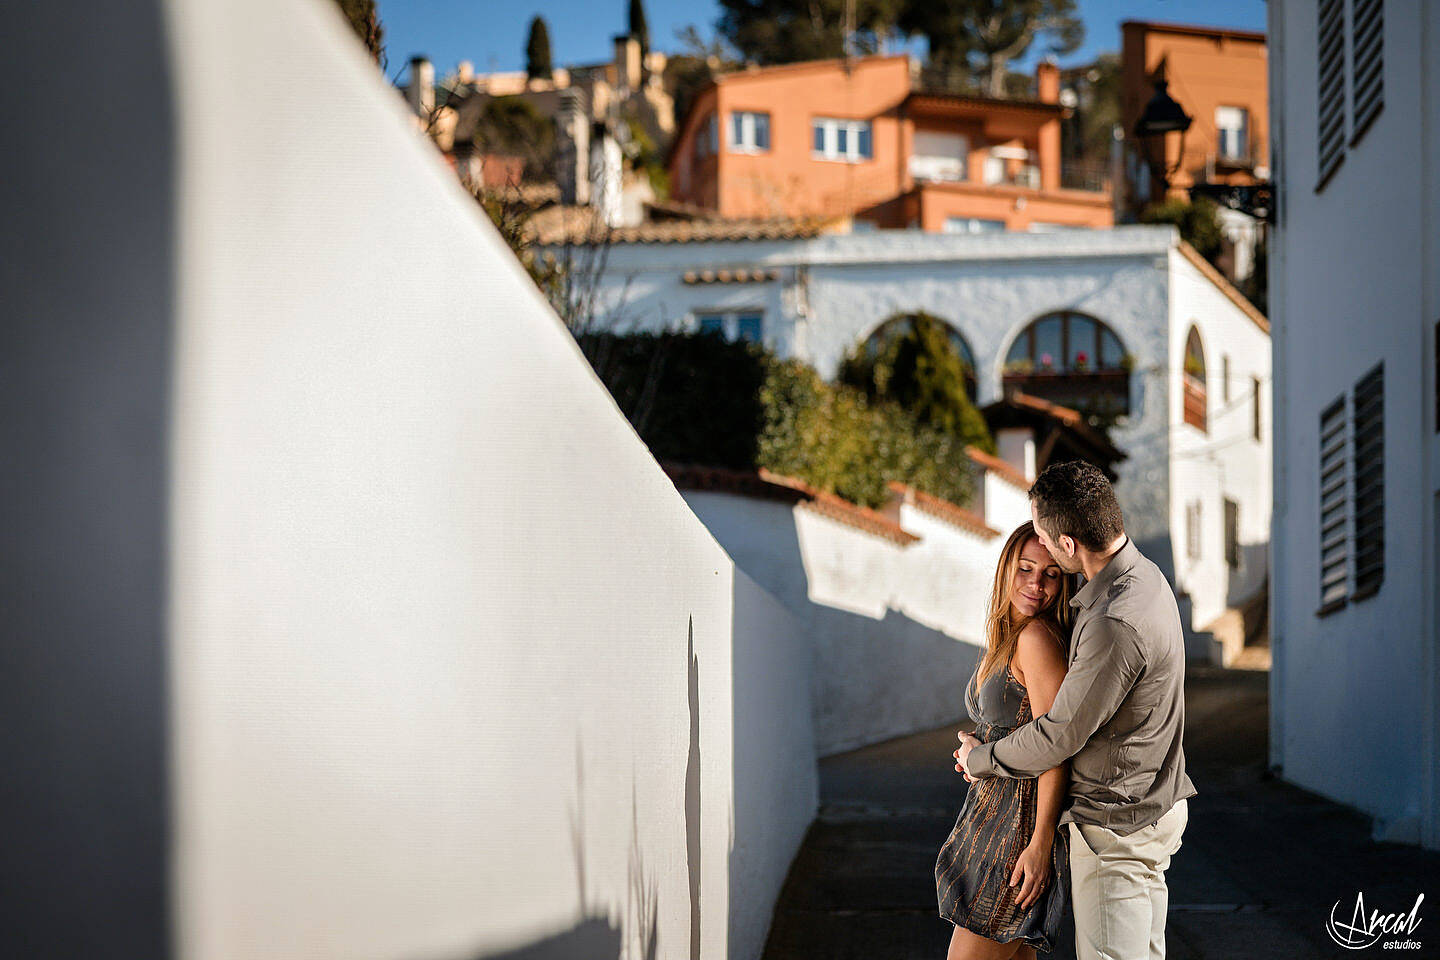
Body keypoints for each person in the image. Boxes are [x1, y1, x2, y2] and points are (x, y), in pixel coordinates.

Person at [958, 460, 1198, 960]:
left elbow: (1057, 737)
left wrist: (979, 761)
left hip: (1117, 825)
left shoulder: (1113, 618)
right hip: (1146, 810)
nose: (1041, 549)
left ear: (1069, 545)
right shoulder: (1143, 577)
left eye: (1046, 540)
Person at [935, 520, 1076, 960]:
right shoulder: (1009, 635)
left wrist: (1040, 844)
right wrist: (977, 747)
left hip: (1015, 834)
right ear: (1006, 570)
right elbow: (1017, 727)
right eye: (1026, 568)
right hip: (992, 821)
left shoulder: (1036, 638)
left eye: (1051, 573)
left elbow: (1056, 749)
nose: (1037, 583)